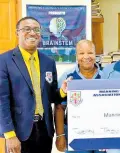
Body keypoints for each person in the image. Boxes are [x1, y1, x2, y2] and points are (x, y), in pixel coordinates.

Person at [0, 17, 68, 153]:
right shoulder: (4, 60)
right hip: (18, 133)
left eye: (36, 29)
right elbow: (2, 100)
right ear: (17, 33)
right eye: (27, 29)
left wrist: (62, 91)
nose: (32, 33)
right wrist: (9, 134)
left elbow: (50, 96)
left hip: (45, 130)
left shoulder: (48, 62)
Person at [55, 40, 105, 153]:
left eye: (90, 53)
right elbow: (59, 107)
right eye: (81, 53)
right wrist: (60, 135)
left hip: (101, 133)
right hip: (75, 134)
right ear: (76, 56)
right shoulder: (68, 76)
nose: (86, 57)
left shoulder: (105, 75)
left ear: (95, 54)